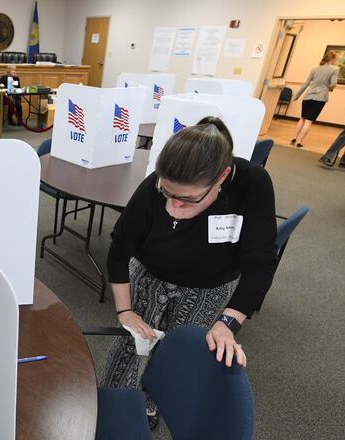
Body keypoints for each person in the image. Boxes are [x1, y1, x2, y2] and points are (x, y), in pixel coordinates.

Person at [101, 117, 277, 430]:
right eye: (167, 192)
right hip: (150, 274)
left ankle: (150, 405)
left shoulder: (253, 184)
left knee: (176, 354)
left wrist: (227, 323)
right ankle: (110, 401)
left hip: (209, 287)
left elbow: (260, 264)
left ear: (221, 177)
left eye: (188, 198)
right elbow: (119, 250)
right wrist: (125, 310)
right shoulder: (157, 183)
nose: (174, 205)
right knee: (130, 344)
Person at [291, 51, 340, 149]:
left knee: (302, 118)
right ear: (332, 59)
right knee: (309, 121)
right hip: (320, 97)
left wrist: (296, 96)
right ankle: (299, 142)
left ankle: (294, 138)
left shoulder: (315, 68)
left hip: (308, 96)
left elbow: (306, 83)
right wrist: (328, 88)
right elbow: (333, 83)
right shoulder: (335, 69)